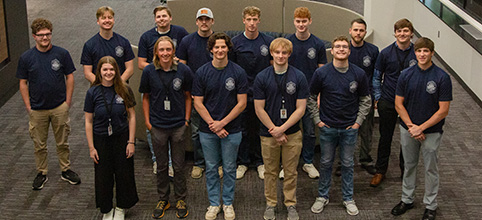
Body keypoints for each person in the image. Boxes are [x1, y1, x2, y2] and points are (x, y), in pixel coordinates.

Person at [308, 36, 371, 216]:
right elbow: (311, 98)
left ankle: (348, 198)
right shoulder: (321, 73)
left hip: (349, 128)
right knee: (326, 162)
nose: (341, 49)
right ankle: (322, 196)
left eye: (345, 47)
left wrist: (358, 122)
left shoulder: (358, 74)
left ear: (349, 51)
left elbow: (366, 100)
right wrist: (317, 120)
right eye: (338, 47)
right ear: (332, 51)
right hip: (327, 127)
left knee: (348, 164)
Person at [390, 37, 452, 220]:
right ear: (415, 53)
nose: (422, 54)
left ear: (432, 53)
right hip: (408, 129)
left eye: (426, 51)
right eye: (419, 51)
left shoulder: (442, 77)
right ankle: (407, 199)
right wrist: (412, 127)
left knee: (430, 169)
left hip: (431, 132)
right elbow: (398, 104)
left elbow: (443, 111)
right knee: (409, 165)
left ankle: (431, 205)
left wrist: (421, 128)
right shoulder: (406, 75)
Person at [17, 18, 81, 191]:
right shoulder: (26, 58)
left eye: (48, 34)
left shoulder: (62, 54)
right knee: (39, 144)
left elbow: (70, 77)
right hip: (37, 109)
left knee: (63, 141)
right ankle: (42, 172)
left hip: (59, 106)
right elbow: (23, 82)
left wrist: (67, 101)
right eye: (41, 35)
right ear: (34, 36)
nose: (45, 38)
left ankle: (65, 169)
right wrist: (28, 106)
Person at [192, 32, 247, 220]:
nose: (220, 50)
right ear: (211, 49)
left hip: (232, 130)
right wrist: (213, 124)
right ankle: (214, 203)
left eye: (223, 47)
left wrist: (222, 123)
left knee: (230, 168)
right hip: (208, 131)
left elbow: (242, 103)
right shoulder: (202, 72)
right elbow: (197, 102)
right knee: (211, 167)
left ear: (228, 48)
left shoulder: (238, 72)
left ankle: (228, 203)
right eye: (217, 47)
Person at [253, 38, 308, 220]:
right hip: (268, 134)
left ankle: (290, 204)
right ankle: (271, 203)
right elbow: (259, 108)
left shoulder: (299, 76)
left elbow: (301, 108)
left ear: (289, 54)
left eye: (284, 53)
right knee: (270, 171)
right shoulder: (262, 77)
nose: (280, 56)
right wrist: (274, 130)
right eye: (277, 52)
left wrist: (282, 129)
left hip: (292, 133)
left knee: (291, 171)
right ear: (272, 53)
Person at [139, 36, 192, 219]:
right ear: (156, 52)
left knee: (178, 166)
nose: (165, 53)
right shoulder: (149, 71)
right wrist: (148, 123)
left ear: (173, 51)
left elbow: (187, 96)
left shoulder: (183, 70)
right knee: (161, 166)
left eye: (168, 49)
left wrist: (186, 121)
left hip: (178, 125)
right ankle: (163, 198)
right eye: (161, 50)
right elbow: (145, 97)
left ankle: (180, 198)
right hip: (158, 126)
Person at [84, 56, 138, 220]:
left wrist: (131, 142)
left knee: (124, 173)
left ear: (117, 71)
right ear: (99, 72)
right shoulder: (92, 92)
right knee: (103, 175)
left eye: (112, 69)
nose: (109, 72)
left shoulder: (124, 89)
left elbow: (132, 117)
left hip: (121, 137)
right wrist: (91, 148)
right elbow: (88, 121)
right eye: (105, 69)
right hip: (100, 139)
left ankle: (121, 207)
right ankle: (107, 209)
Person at [138, 5, 188, 175]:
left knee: (176, 124)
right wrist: (158, 68)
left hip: (175, 78)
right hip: (154, 80)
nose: (161, 19)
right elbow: (141, 63)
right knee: (154, 123)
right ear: (155, 19)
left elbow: (184, 57)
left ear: (170, 18)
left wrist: (171, 67)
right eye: (158, 16)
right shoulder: (146, 37)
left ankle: (175, 164)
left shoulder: (180, 32)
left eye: (164, 16)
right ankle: (156, 160)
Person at [371, 18, 417, 187]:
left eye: (406, 31)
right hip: (388, 100)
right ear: (395, 33)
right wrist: (378, 97)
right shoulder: (385, 53)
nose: (402, 34)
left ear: (411, 33)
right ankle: (380, 170)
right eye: (399, 31)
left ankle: (406, 171)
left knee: (408, 138)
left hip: (410, 103)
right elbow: (376, 76)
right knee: (385, 137)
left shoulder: (417, 52)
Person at [230, 6, 274, 180]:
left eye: (255, 19)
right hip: (241, 94)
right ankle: (243, 162)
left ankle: (260, 162)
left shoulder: (268, 41)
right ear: (243, 21)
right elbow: (231, 69)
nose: (252, 23)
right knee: (243, 130)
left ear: (259, 21)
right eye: (249, 19)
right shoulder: (235, 43)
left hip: (263, 94)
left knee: (261, 129)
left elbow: (273, 67)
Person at [286, 6, 327, 179]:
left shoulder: (317, 44)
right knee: (289, 130)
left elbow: (322, 72)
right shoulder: (288, 42)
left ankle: (308, 162)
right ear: (294, 22)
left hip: (310, 95)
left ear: (309, 21)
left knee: (309, 131)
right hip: (290, 94)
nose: (301, 24)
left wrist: (320, 95)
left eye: (304, 21)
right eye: (298, 21)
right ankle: (287, 164)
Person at [176, 7, 215, 179]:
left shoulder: (218, 40)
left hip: (217, 94)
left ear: (212, 21)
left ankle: (217, 163)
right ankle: (199, 163)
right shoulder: (186, 41)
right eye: (201, 19)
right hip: (195, 94)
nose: (204, 22)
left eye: (207, 19)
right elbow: (182, 68)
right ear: (197, 21)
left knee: (218, 128)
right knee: (197, 130)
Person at [348, 18, 379, 175]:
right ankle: (344, 161)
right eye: (355, 30)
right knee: (346, 130)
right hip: (347, 98)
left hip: (365, 97)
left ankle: (365, 159)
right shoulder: (344, 49)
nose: (358, 33)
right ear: (350, 31)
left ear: (365, 33)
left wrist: (374, 96)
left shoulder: (373, 51)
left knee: (366, 130)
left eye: (361, 30)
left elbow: (375, 76)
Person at [81, 6, 135, 83]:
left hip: (120, 88)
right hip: (98, 89)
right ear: (98, 21)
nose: (107, 20)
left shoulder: (124, 42)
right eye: (103, 18)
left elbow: (130, 69)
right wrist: (103, 86)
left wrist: (118, 84)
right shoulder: (89, 45)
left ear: (113, 20)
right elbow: (87, 73)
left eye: (110, 17)